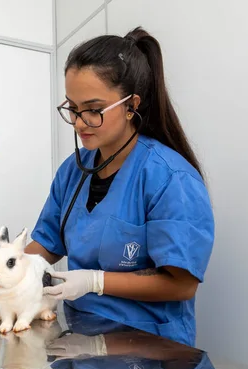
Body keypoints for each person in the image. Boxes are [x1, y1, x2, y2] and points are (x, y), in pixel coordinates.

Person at [25, 26, 214, 347]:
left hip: (150, 348)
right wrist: (12, 273)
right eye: (72, 108)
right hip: (80, 336)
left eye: (94, 110)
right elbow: (47, 244)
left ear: (131, 105)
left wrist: (94, 281)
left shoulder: (169, 177)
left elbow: (181, 285)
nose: (80, 122)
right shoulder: (72, 171)